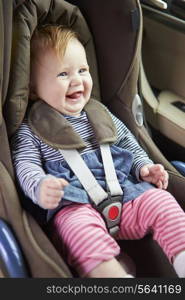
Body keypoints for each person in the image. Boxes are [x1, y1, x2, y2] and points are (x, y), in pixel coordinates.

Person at [11, 25, 185, 278]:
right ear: (34, 88)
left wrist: (144, 167)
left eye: (83, 70)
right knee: (77, 229)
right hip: (73, 203)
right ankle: (112, 275)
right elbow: (25, 164)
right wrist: (40, 186)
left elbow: (129, 144)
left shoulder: (100, 113)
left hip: (126, 193)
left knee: (162, 202)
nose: (77, 80)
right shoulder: (32, 129)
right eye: (62, 74)